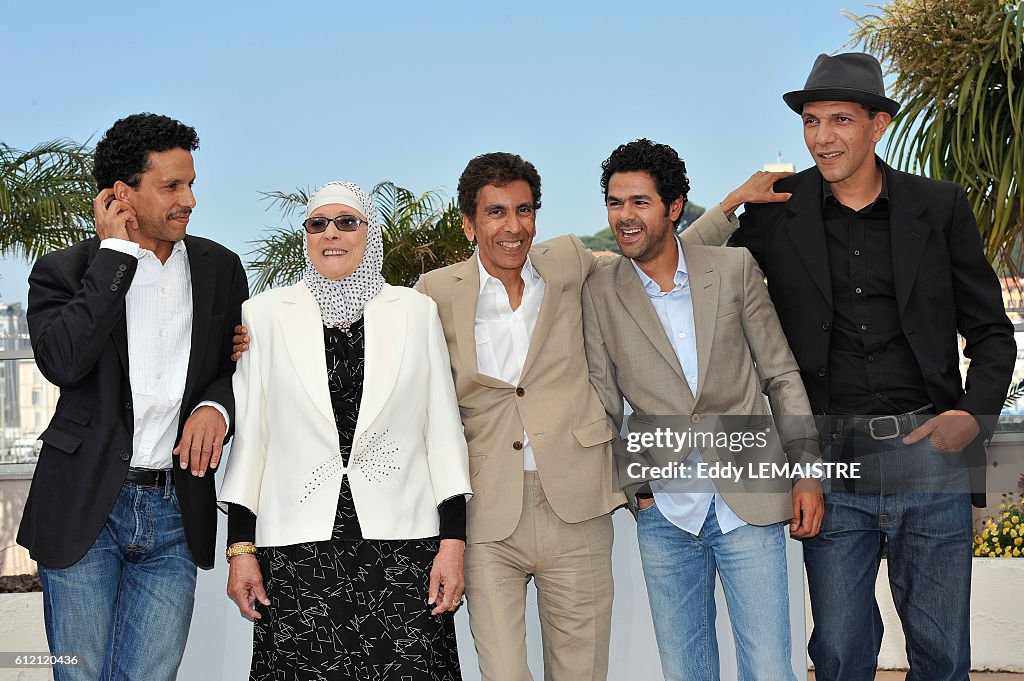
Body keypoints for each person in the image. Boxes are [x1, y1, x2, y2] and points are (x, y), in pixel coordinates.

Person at [229, 156, 792, 681]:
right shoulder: (432, 295)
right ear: (469, 224)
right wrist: (240, 345)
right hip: (487, 513)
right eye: (495, 212)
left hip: (577, 504)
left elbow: (654, 251)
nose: (513, 226)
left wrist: (730, 207)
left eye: (524, 211)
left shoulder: (570, 261)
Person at [687, 53, 1017, 681]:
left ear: (879, 124)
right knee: (838, 654)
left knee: (943, 656)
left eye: (840, 119)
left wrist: (971, 418)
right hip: (827, 461)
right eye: (811, 121)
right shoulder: (774, 212)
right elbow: (685, 273)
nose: (822, 137)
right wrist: (733, 201)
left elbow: (992, 333)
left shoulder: (939, 206)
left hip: (930, 454)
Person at [581, 138, 822, 681]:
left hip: (749, 501)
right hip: (663, 511)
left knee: (768, 668)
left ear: (673, 206)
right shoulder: (600, 291)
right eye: (615, 203)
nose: (624, 216)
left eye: (639, 202)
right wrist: (631, 484)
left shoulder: (733, 269)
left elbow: (781, 376)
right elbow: (602, 399)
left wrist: (807, 471)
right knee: (686, 671)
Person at [19, 113, 248, 681]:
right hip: (83, 505)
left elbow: (235, 368)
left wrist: (216, 407)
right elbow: (63, 362)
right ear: (122, 194)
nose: (189, 199)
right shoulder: (65, 271)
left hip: (175, 509)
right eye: (171, 186)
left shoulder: (220, 268)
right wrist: (114, 258)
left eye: (191, 183)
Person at [219, 181, 472, 681]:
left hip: (405, 544)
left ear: (368, 233)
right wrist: (240, 550)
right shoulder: (263, 316)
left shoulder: (415, 312)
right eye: (318, 223)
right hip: (296, 549)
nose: (331, 233)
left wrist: (453, 542)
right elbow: (254, 440)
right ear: (306, 236)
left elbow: (441, 430)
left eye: (346, 222)